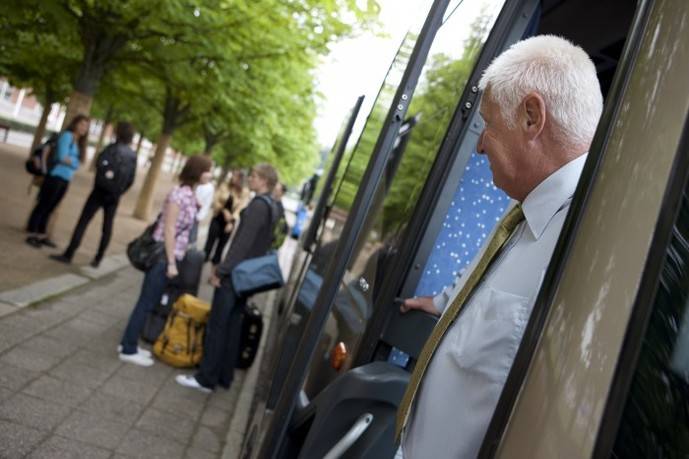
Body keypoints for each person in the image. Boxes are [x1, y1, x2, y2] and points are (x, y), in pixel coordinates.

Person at [396, 35, 604, 458]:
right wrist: (443, 301)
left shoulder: (586, 243)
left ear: (531, 117)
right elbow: (494, 298)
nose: (479, 143)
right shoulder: (527, 217)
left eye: (488, 123)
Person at [176, 163, 279, 392]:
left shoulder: (259, 206)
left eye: (253, 176)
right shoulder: (273, 206)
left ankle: (205, 378)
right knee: (233, 326)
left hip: (235, 275)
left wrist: (221, 270)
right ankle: (224, 376)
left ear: (263, 180)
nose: (249, 179)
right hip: (247, 277)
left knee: (217, 326)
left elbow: (241, 245)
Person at [118, 155, 213, 366]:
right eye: (208, 170)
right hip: (163, 257)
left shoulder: (189, 195)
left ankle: (128, 342)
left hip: (170, 256)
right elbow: (169, 229)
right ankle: (128, 348)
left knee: (149, 300)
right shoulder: (178, 195)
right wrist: (171, 262)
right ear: (198, 171)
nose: (211, 174)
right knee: (147, 301)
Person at [49, 122, 138, 267]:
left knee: (83, 221)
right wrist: (119, 191)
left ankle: (69, 253)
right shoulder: (132, 155)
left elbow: (99, 165)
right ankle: (98, 258)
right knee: (107, 227)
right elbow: (131, 179)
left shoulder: (110, 149)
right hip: (114, 196)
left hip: (99, 191)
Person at [26, 114, 90, 248]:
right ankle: (32, 234)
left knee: (51, 207)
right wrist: (74, 162)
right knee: (43, 205)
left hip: (65, 179)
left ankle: (42, 234)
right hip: (55, 176)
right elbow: (62, 157)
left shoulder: (78, 142)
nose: (84, 128)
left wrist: (71, 161)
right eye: (82, 124)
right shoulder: (67, 136)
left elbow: (75, 161)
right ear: (75, 124)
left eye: (86, 126)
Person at [203, 170, 249, 265]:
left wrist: (231, 221)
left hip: (230, 223)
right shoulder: (225, 186)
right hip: (217, 217)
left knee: (220, 249)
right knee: (208, 245)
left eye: (235, 176)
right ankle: (199, 267)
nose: (233, 177)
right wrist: (223, 210)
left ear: (240, 179)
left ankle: (213, 273)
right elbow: (215, 200)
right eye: (233, 175)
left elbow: (241, 208)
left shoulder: (245, 192)